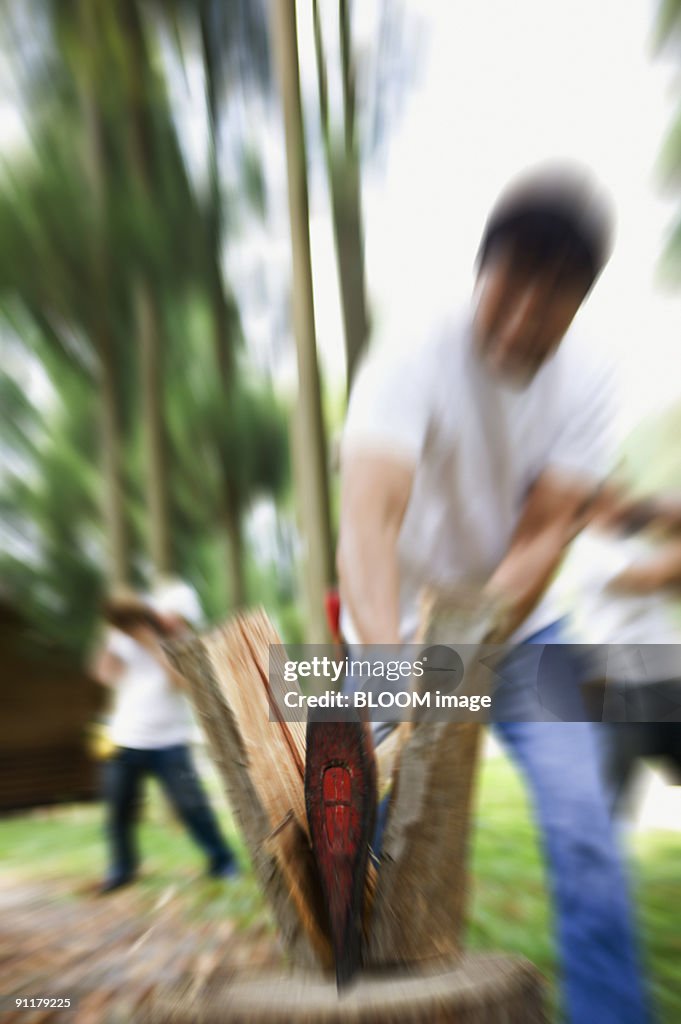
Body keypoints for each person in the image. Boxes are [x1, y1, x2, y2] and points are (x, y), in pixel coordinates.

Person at [337, 165, 653, 1023]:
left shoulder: (591, 376)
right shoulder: (411, 349)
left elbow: (546, 531)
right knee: (356, 833)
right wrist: (395, 666)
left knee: (587, 833)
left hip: (528, 633)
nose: (521, 320)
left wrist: (466, 653)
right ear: (482, 270)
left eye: (553, 301)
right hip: (393, 625)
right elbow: (368, 519)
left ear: (580, 304)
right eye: (509, 287)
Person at [92, 582, 238, 893]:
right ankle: (122, 868)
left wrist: (152, 645)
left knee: (192, 805)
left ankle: (222, 861)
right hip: (126, 738)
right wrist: (110, 633)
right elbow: (104, 675)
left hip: (169, 740)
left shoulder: (184, 642)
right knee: (119, 809)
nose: (175, 622)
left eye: (180, 618)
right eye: (171, 615)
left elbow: (181, 683)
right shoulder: (123, 637)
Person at [558, 486, 681, 817]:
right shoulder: (587, 549)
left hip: (669, 677)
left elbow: (673, 585)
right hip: (620, 685)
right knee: (611, 796)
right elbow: (651, 578)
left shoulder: (632, 545)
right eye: (613, 496)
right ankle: (593, 863)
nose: (624, 502)